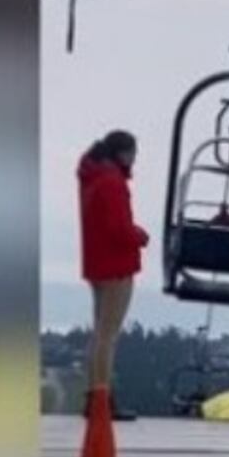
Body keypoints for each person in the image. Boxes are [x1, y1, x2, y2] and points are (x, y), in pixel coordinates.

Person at [77, 130, 148, 419]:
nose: (134, 160)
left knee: (99, 334)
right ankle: (104, 400)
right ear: (123, 153)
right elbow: (119, 229)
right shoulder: (113, 183)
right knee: (108, 336)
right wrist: (140, 235)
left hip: (96, 263)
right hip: (116, 266)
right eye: (133, 154)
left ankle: (94, 396)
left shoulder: (91, 177)